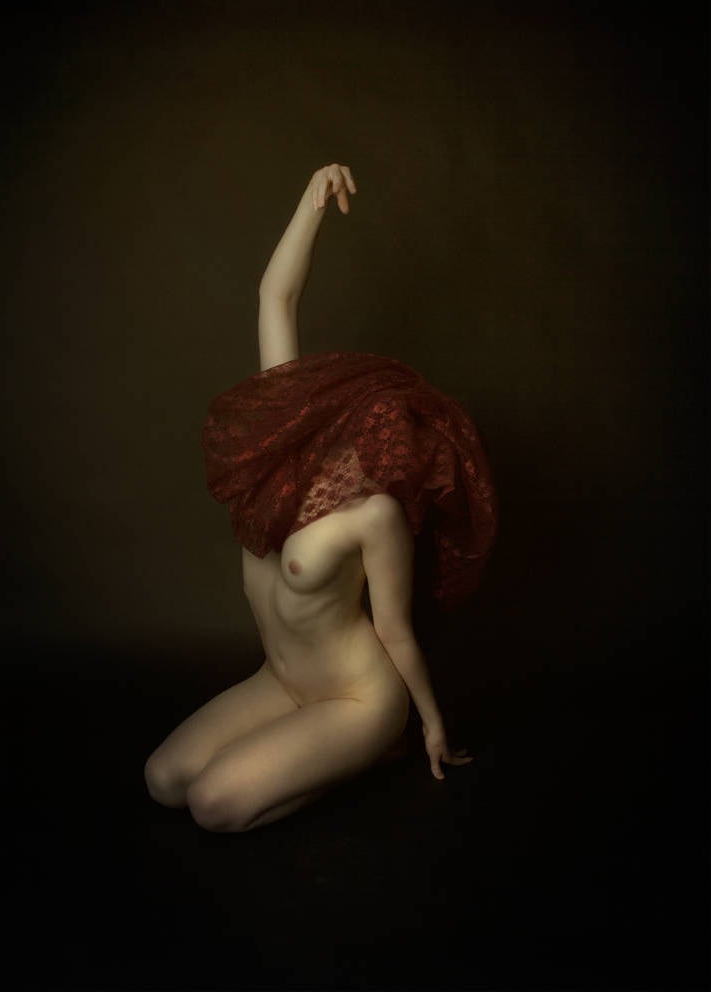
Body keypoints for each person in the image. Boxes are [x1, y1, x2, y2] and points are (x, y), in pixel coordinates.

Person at [143, 163, 497, 833]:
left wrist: (429, 723)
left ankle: (372, 748)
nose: (374, 453)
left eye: (387, 447)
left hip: (356, 695)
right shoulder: (275, 449)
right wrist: (313, 198)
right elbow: (275, 298)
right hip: (280, 683)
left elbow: (395, 629)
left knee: (214, 805)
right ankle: (315, 747)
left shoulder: (376, 516)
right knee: (163, 782)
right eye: (367, 433)